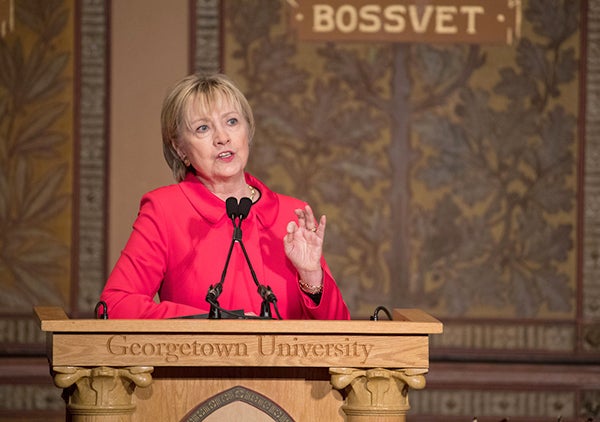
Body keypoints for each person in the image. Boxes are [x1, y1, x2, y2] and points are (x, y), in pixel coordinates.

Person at [99, 73, 350, 320]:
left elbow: (342, 339)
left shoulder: (291, 214)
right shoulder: (165, 210)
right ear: (179, 147)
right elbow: (115, 305)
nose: (222, 138)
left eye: (231, 122)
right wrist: (217, 322)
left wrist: (311, 277)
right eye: (203, 128)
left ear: (247, 130)